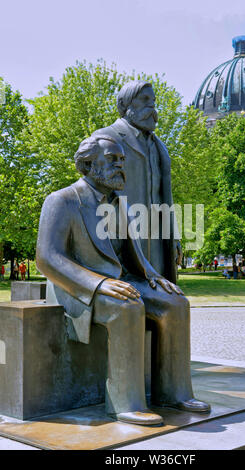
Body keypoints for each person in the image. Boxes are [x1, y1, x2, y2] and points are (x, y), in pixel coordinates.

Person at [36, 135, 210, 427]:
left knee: (176, 303)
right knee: (126, 307)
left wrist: (153, 277)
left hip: (120, 281)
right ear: (89, 165)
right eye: (113, 159)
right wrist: (98, 284)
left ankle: (174, 392)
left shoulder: (121, 204)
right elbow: (48, 258)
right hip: (75, 287)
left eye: (122, 160)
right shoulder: (62, 201)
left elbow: (131, 254)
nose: (121, 165)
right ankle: (125, 403)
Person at [91, 81, 178, 283]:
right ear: (125, 105)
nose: (152, 108)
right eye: (145, 100)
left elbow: (166, 196)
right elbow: (94, 192)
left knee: (160, 298)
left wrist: (174, 237)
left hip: (157, 239)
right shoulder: (106, 138)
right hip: (121, 239)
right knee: (127, 301)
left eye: (154, 101)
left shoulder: (159, 147)